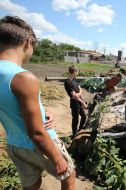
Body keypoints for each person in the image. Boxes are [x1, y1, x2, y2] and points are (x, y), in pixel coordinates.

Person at [0, 16, 75, 189]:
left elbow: (10, 105)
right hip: (39, 144)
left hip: (14, 145)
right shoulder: (23, 77)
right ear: (27, 42)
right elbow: (36, 132)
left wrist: (43, 110)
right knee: (69, 175)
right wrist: (57, 158)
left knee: (32, 184)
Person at [64, 65, 87, 137]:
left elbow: (80, 88)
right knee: (75, 119)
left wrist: (79, 93)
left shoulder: (74, 79)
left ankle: (80, 130)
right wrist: (83, 102)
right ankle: (74, 134)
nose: (77, 73)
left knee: (84, 116)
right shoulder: (68, 82)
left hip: (79, 101)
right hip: (75, 103)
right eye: (77, 71)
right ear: (75, 71)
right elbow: (74, 96)